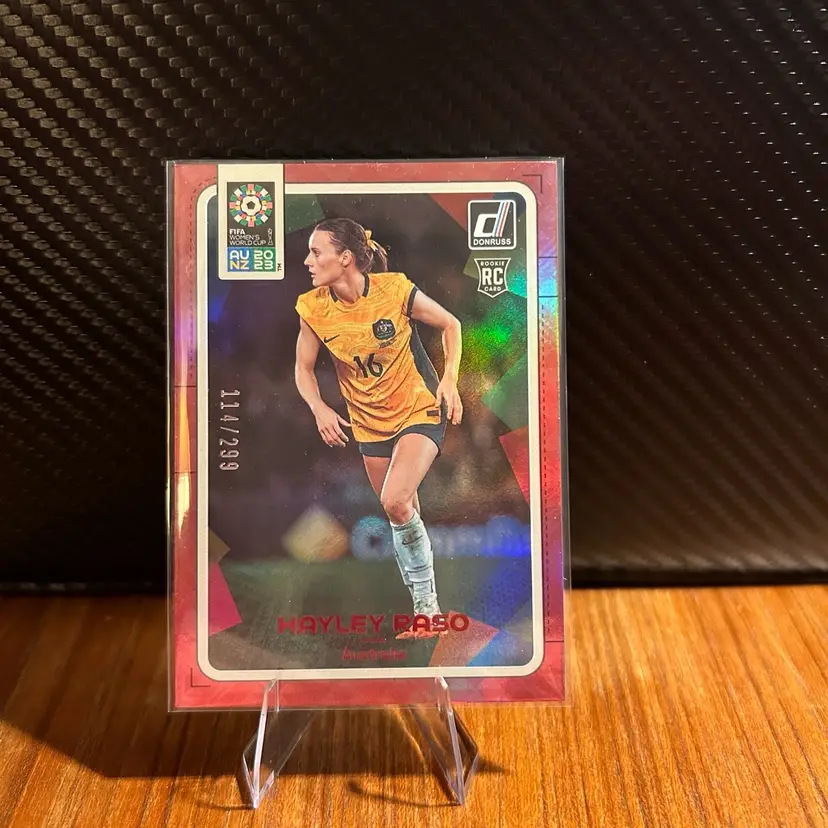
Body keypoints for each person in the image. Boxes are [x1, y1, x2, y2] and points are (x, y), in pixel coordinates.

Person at [294, 218, 462, 638]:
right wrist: (318, 408)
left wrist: (449, 379)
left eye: (316, 252)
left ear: (345, 258)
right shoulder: (313, 308)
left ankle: (429, 613)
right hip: (368, 425)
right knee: (401, 513)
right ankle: (427, 615)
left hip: (418, 408)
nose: (308, 261)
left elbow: (451, 324)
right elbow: (303, 368)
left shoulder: (395, 290)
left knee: (394, 500)